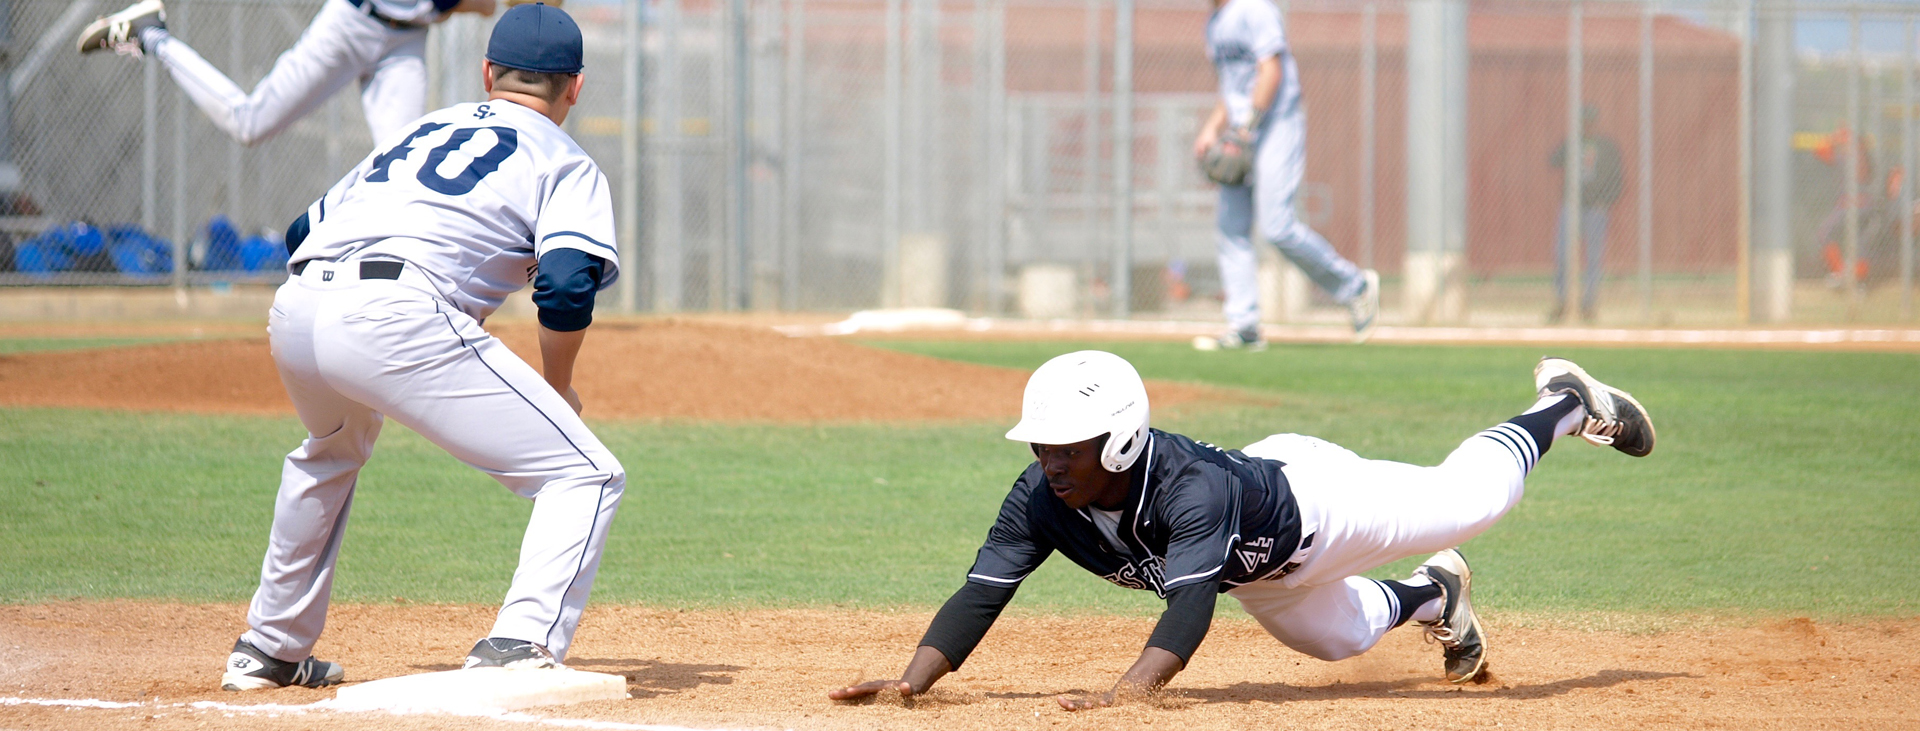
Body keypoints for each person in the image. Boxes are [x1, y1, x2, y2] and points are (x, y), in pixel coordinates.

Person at [829, 350, 1653, 709]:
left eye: (1065, 446)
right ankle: (1434, 594)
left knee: (1469, 500)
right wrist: (912, 683)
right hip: (1257, 566)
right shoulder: (1042, 495)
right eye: (1040, 444)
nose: (1049, 459)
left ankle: (1565, 400)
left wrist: (1130, 695)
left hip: (1319, 509)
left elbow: (1189, 609)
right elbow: (982, 591)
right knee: (1340, 642)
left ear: (1117, 437)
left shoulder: (1189, 488)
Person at [217, 4, 627, 691]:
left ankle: (270, 649)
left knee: (330, 449)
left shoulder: (423, 128)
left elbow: (299, 230)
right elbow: (562, 285)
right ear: (574, 88)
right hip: (397, 312)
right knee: (585, 473)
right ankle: (519, 642)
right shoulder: (565, 158)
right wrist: (559, 381)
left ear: (488, 73)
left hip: (298, 303)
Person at [1193, 0, 1379, 351]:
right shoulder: (1214, 22)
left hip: (1277, 123)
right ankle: (1244, 325)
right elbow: (1231, 90)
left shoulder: (1254, 9)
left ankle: (1354, 287)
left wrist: (1243, 131)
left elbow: (1271, 71)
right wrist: (1211, 129)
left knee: (1277, 225)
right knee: (1230, 227)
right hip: (1241, 129)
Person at [76, 0, 498, 148]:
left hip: (407, 42)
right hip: (352, 22)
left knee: (405, 163)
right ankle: (152, 35)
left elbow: (480, 5)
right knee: (249, 123)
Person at [1548, 105, 1624, 324]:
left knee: (1593, 257)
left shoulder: (1606, 146)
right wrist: (1571, 144)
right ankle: (1563, 302)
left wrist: (1606, 201)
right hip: (1572, 205)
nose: (1587, 126)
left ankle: (1588, 304)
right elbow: (1553, 160)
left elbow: (1617, 176)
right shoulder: (1573, 143)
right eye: (1584, 122)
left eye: (1590, 122)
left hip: (1595, 208)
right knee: (1563, 253)